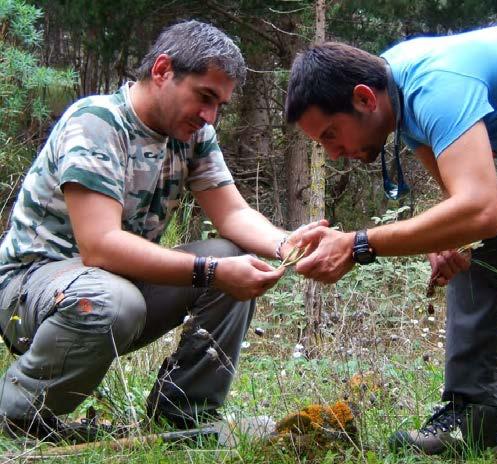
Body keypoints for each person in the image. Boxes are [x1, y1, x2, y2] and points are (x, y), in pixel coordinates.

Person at [285, 23, 497, 455]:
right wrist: (451, 240)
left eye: (330, 134)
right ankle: (472, 416)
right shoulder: (396, 93)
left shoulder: (435, 86)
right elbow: (465, 211)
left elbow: (481, 208)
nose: (332, 152)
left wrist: (358, 243)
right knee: (478, 245)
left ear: (364, 99)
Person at [0, 20, 316, 442]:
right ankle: (15, 417)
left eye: (219, 104)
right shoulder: (97, 122)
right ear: (163, 70)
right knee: (119, 299)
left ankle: (183, 415)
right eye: (205, 96)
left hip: (115, 286)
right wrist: (210, 272)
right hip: (31, 291)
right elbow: (100, 246)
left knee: (232, 255)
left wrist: (285, 244)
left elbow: (233, 213)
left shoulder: (195, 135)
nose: (210, 115)